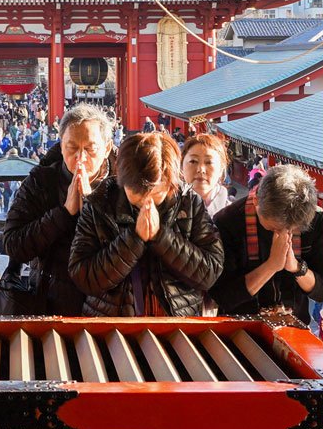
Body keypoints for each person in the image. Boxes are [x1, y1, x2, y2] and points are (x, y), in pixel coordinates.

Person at [68, 131, 222, 317]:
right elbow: (83, 277)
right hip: (112, 324)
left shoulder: (188, 202)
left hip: (177, 323)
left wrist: (162, 237)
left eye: (156, 195)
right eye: (138, 195)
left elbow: (210, 272)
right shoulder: (99, 203)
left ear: (171, 181)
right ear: (122, 180)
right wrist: (133, 239)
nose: (146, 203)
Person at [3, 103, 117, 316]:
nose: (80, 158)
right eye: (72, 148)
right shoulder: (42, 180)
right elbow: (13, 243)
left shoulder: (124, 183)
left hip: (111, 305)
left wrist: (92, 207)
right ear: (61, 144)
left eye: (90, 149)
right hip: (51, 302)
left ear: (107, 148)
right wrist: (63, 214)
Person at [209, 164, 323, 325]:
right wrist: (271, 265)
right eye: (274, 228)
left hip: (294, 328)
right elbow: (223, 297)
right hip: (241, 328)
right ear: (255, 200)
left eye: (291, 228)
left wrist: (296, 267)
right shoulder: (227, 221)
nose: (283, 234)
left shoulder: (314, 219)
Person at [179, 132, 234, 216]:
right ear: (182, 166)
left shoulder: (234, 215)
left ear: (221, 169)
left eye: (209, 162)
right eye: (193, 161)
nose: (201, 169)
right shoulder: (167, 210)